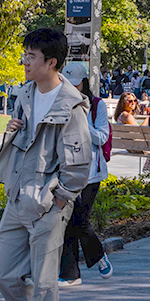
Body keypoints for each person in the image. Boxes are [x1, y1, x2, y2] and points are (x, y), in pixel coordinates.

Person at [0, 28, 93, 301]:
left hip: (49, 203)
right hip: (18, 197)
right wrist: (14, 129)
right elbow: (22, 144)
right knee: (3, 276)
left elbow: (79, 161)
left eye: (30, 56)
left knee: (46, 280)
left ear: (51, 62)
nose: (24, 62)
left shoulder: (71, 103)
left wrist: (60, 198)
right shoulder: (25, 95)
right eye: (24, 55)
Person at [58, 69, 114, 286]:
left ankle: (97, 256)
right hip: (68, 170)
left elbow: (101, 137)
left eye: (76, 84)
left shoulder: (97, 105)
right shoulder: (61, 103)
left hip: (91, 172)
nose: (73, 88)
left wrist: (81, 123)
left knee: (80, 219)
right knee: (68, 221)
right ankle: (71, 273)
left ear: (83, 83)